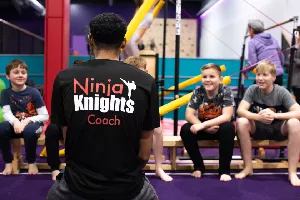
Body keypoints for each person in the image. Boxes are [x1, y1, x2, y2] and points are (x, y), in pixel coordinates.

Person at [46, 13, 160, 200]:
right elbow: (145, 151)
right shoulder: (146, 81)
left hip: (77, 185)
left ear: (90, 40)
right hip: (129, 186)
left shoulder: (65, 78)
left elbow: (68, 140)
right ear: (123, 43)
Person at [235, 60, 300, 186]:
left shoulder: (281, 91)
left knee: (295, 123)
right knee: (242, 122)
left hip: (278, 128)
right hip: (258, 127)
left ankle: (292, 172)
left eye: (264, 75)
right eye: (258, 75)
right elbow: (240, 111)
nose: (260, 78)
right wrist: (258, 117)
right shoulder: (252, 89)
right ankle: (248, 167)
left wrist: (275, 115)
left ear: (273, 77)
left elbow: (298, 112)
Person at [180, 63, 235, 182]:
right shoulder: (198, 92)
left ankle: (224, 170)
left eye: (212, 77)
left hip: (220, 126)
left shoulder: (226, 91)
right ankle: (199, 166)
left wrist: (203, 125)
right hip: (203, 126)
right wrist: (203, 127)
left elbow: (227, 116)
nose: (208, 80)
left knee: (229, 128)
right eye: (204, 77)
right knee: (185, 129)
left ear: (220, 79)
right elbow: (188, 115)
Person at [124, 56, 173, 182]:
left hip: (142, 118)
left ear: (145, 72)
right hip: (126, 119)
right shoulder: (122, 84)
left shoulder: (149, 84)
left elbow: (152, 111)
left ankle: (158, 167)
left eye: (138, 73)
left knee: (158, 129)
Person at [0, 59, 49, 175]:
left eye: (23, 72)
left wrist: (27, 120)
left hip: (33, 124)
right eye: (16, 72)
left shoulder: (34, 92)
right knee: (1, 128)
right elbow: (6, 113)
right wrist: (15, 122)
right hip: (16, 125)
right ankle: (8, 162)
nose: (20, 75)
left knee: (29, 131)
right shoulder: (6, 93)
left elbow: (44, 115)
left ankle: (31, 162)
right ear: (8, 76)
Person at [242, 20, 285, 86]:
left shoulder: (252, 42)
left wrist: (244, 71)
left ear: (252, 30)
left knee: (253, 94)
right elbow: (281, 56)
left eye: (249, 30)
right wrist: (279, 68)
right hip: (278, 74)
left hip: (266, 76)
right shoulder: (272, 38)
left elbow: (253, 63)